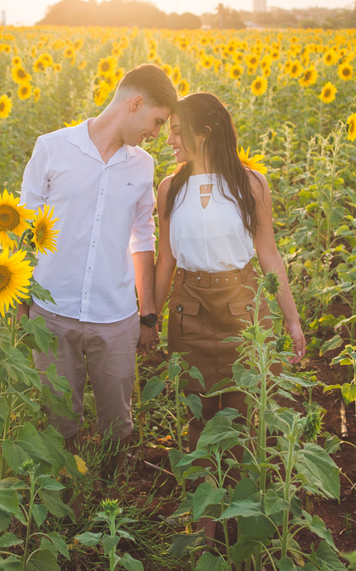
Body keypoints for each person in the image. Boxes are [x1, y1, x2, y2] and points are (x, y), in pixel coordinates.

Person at [19, 63, 178, 451]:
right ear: (135, 103)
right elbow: (24, 230)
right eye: (157, 121)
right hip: (52, 312)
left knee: (118, 422)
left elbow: (143, 239)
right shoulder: (52, 147)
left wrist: (148, 314)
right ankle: (67, 488)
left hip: (115, 316)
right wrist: (21, 302)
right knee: (58, 420)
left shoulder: (142, 164)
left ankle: (111, 484)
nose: (157, 134)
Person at [150, 92, 306, 456]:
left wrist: (292, 320)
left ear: (203, 135)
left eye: (177, 131)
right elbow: (166, 259)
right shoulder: (169, 188)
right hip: (189, 310)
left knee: (243, 412)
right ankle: (202, 493)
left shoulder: (251, 184)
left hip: (243, 309)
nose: (169, 140)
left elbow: (268, 254)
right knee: (198, 414)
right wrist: (150, 319)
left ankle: (236, 490)